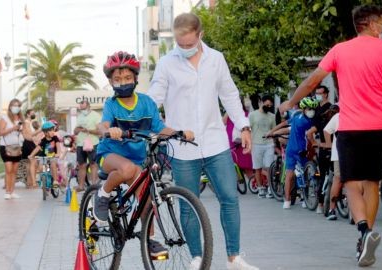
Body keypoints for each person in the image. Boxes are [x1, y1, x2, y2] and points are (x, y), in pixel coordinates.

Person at [279, 5, 382, 266]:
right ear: (373, 25)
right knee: (372, 182)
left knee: (351, 181)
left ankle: (363, 231)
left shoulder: (340, 50)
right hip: (380, 125)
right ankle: (365, 240)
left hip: (351, 126)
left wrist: (292, 102)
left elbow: (312, 82)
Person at [148, 13, 258, 270]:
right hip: (182, 148)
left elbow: (229, 94)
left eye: (188, 43)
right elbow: (154, 99)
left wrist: (243, 125)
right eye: (180, 44)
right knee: (189, 205)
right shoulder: (166, 63)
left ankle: (234, 257)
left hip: (215, 142)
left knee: (230, 198)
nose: (184, 48)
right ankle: (196, 257)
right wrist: (143, 120)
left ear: (200, 35)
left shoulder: (216, 59)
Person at [93, 51, 192, 259]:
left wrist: (178, 133)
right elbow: (102, 123)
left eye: (127, 78)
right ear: (111, 81)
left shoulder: (146, 102)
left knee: (147, 195)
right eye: (117, 80)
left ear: (136, 78)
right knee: (127, 169)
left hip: (137, 158)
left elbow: (159, 127)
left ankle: (149, 239)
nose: (123, 83)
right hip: (110, 154)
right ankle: (102, 195)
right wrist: (107, 130)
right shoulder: (112, 105)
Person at [268, 97, 319, 209]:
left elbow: (284, 126)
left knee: (290, 175)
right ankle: (302, 198)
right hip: (301, 149)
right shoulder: (310, 121)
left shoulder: (297, 117)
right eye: (309, 108)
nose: (312, 111)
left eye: (313, 109)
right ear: (304, 109)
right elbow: (287, 128)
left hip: (293, 149)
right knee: (300, 174)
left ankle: (287, 200)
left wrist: (272, 132)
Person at [306, 85, 332, 214]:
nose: (317, 95)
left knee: (327, 174)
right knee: (323, 174)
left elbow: (319, 126)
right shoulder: (317, 108)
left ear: (326, 94)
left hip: (328, 143)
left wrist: (312, 136)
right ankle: (322, 202)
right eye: (316, 93)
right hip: (322, 144)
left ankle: (323, 203)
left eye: (320, 93)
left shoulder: (329, 108)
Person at [249, 95, 276, 198]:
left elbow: (274, 129)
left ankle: (270, 188)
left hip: (269, 144)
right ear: (261, 102)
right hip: (256, 144)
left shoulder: (272, 116)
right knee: (258, 167)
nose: (268, 106)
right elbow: (248, 128)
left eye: (270, 105)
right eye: (267, 104)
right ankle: (260, 188)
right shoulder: (253, 115)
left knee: (270, 167)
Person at [0, 98, 24, 200]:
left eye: (18, 106)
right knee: (8, 169)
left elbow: (22, 133)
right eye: (14, 105)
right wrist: (13, 128)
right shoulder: (5, 118)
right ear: (10, 106)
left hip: (17, 147)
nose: (16, 107)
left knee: (14, 170)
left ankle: (12, 191)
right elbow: (0, 132)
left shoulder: (20, 119)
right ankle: (7, 191)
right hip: (6, 147)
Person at [74, 100, 101, 191]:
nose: (82, 110)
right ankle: (81, 186)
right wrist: (77, 129)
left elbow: (99, 131)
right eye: (81, 108)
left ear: (88, 106)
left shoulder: (96, 116)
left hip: (93, 143)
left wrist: (88, 130)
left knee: (93, 164)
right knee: (82, 165)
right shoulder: (80, 116)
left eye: (83, 108)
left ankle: (94, 185)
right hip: (80, 143)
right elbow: (75, 131)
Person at [28, 121, 66, 187]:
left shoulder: (55, 138)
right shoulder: (43, 140)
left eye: (53, 130)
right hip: (44, 157)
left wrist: (58, 153)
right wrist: (31, 155)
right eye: (50, 131)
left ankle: (55, 180)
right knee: (41, 167)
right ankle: (44, 180)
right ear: (45, 133)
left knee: (53, 164)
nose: (52, 132)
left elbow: (58, 146)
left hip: (53, 156)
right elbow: (37, 148)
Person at [321, 105, 341, 221]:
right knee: (338, 178)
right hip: (339, 155)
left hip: (356, 155)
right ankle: (332, 209)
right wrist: (329, 145)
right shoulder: (338, 117)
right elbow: (327, 130)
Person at [22, 109, 41, 188]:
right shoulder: (26, 122)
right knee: (33, 163)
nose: (34, 114)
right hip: (28, 143)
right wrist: (40, 130)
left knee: (29, 164)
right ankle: (33, 183)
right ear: (28, 114)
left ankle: (29, 182)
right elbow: (30, 134)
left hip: (29, 143)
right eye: (32, 113)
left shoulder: (29, 122)